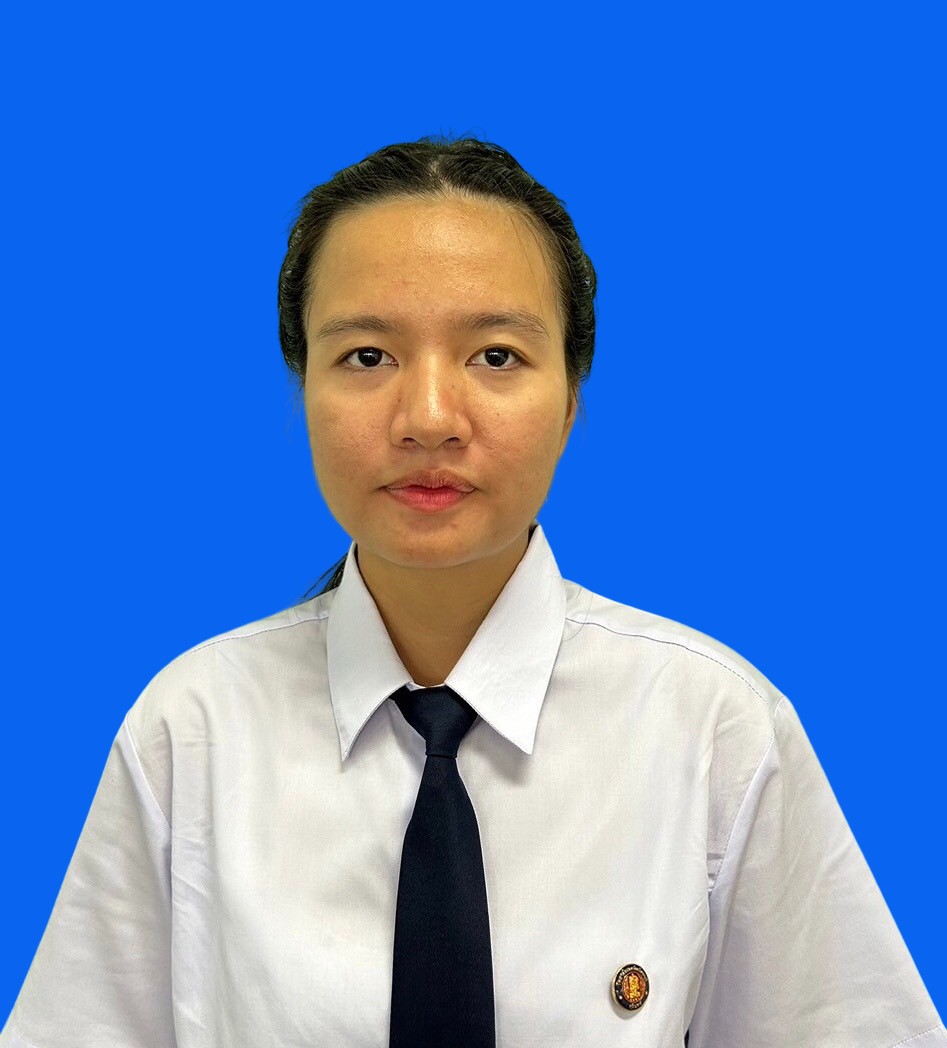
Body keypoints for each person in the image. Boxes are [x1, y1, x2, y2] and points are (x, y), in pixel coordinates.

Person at [1, 134, 943, 1048]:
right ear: (302, 386)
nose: (428, 419)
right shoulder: (192, 728)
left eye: (494, 355)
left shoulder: (711, 727)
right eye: (366, 356)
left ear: (570, 397)